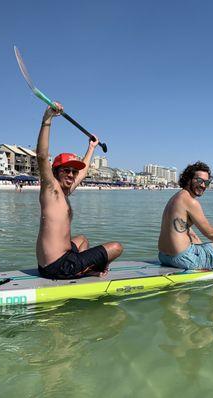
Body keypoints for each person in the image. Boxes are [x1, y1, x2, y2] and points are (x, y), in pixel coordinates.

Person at [36, 103, 123, 279]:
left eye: (73, 171)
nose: (71, 174)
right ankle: (85, 271)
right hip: (58, 267)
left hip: (56, 261)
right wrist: (47, 119)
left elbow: (82, 173)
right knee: (116, 248)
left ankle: (83, 268)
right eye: (66, 170)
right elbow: (42, 156)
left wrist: (91, 147)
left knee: (82, 239)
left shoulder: (64, 192)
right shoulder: (51, 190)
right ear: (55, 172)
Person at [158, 161, 213, 270]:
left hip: (164, 257)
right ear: (188, 179)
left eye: (206, 182)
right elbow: (209, 232)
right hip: (183, 259)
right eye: (199, 180)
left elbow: (190, 233)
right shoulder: (190, 201)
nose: (203, 185)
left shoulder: (176, 198)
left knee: (194, 238)